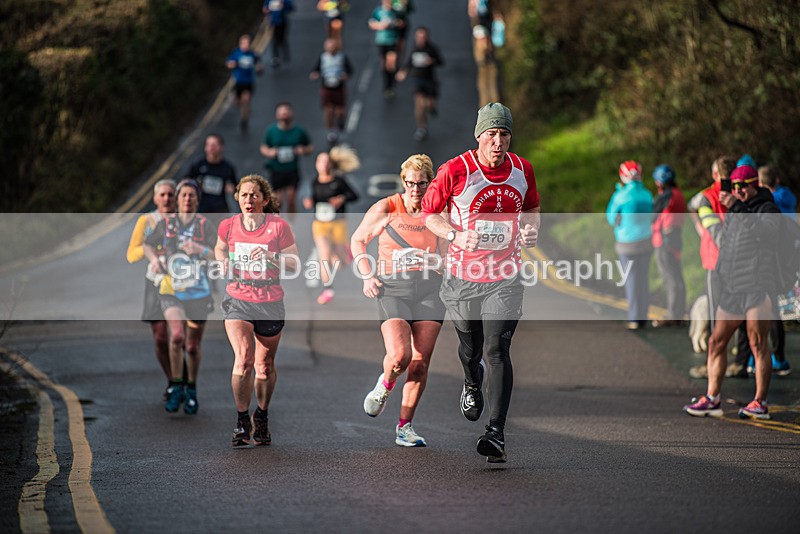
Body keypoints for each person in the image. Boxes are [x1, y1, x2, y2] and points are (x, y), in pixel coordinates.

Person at [422, 103, 541, 463]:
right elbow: (429, 213)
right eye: (491, 134)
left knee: (496, 350)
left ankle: (496, 434)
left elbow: (532, 206)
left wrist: (533, 229)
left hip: (505, 275)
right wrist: (454, 235)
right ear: (479, 136)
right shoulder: (456, 170)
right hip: (462, 277)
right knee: (472, 350)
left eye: (504, 134)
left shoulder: (522, 169)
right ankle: (471, 380)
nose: (498, 141)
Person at [351, 154, 445, 447]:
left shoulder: (438, 213)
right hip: (392, 288)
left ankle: (405, 427)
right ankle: (386, 383)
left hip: (430, 290)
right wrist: (368, 276)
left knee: (420, 363)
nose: (416, 189)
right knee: (401, 356)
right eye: (410, 183)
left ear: (430, 183)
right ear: (403, 182)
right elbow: (358, 240)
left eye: (422, 183)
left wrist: (429, 258)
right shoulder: (388, 206)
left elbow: (447, 258)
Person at [684, 164, 781, 420]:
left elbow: (769, 234)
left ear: (755, 185)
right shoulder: (734, 211)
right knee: (716, 341)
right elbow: (726, 246)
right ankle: (712, 398)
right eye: (734, 187)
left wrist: (736, 208)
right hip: (733, 287)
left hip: (757, 285)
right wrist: (722, 275)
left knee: (758, 343)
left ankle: (760, 401)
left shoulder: (767, 207)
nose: (737, 192)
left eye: (743, 186)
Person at [215, 174, 300, 446]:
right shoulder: (228, 226)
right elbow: (219, 250)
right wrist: (222, 263)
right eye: (243, 195)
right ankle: (241, 421)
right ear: (237, 198)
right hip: (238, 298)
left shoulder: (278, 227)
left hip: (270, 301)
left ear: (264, 199)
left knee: (264, 366)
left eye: (253, 195)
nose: (248, 200)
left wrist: (272, 256)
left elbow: (294, 264)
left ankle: (261, 416)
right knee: (244, 359)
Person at [143, 179, 217, 415]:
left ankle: (192, 389)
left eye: (191, 195)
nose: (187, 199)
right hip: (170, 289)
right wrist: (154, 259)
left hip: (198, 292)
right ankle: (176, 386)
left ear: (197, 199)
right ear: (177, 199)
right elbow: (147, 244)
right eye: (183, 195)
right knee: (176, 337)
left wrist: (200, 250)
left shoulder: (205, 226)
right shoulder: (166, 225)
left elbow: (220, 255)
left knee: (192, 346)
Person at [126, 179, 176, 400]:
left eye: (170, 195)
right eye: (162, 195)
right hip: (154, 281)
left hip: (180, 284)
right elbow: (132, 254)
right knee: (160, 337)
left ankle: (184, 378)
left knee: (179, 336)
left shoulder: (184, 220)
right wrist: (153, 254)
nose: (166, 199)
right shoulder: (146, 221)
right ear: (155, 198)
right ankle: (172, 380)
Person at [686, 156, 735, 378]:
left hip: (716, 261)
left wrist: (700, 229)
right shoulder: (744, 191)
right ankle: (742, 361)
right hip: (742, 262)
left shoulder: (707, 196)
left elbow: (691, 207)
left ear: (715, 174)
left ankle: (713, 368)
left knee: (717, 316)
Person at [302, 151, 359, 304]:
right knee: (324, 255)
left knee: (340, 263)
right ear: (316, 165)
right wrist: (309, 201)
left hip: (338, 223)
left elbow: (354, 195)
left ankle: (345, 253)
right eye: (321, 161)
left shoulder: (339, 181)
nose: (324, 165)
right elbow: (316, 199)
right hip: (320, 224)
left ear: (331, 165)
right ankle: (328, 289)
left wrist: (342, 198)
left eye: (327, 162)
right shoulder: (315, 182)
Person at [606, 161, 654, 330]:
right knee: (643, 279)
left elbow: (611, 218)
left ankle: (634, 318)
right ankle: (643, 317)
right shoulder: (647, 195)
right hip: (647, 242)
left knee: (631, 280)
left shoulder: (620, 196)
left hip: (627, 244)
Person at [259, 102, 314, 214]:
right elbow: (263, 147)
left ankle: (291, 224)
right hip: (276, 170)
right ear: (277, 115)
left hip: (292, 170)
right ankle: (278, 225)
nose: (284, 114)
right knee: (278, 201)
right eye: (281, 112)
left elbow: (310, 147)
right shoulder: (271, 131)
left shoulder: (299, 131)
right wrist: (270, 152)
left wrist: (302, 150)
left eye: (286, 111)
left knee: (291, 199)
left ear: (291, 113)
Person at [650, 164, 687, 326]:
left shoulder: (666, 196)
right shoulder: (678, 194)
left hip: (664, 240)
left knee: (670, 277)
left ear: (659, 182)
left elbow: (651, 215)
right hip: (675, 237)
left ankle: (673, 314)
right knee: (676, 276)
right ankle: (678, 312)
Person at [396, 26, 444, 141]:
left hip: (429, 80)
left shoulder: (431, 49)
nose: (420, 39)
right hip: (417, 80)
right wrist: (402, 72)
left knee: (429, 104)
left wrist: (432, 61)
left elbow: (441, 62)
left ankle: (431, 107)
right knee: (419, 104)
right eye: (418, 37)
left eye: (423, 37)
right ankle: (422, 128)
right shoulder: (414, 49)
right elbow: (408, 63)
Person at [309, 38, 353, 145]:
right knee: (328, 109)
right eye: (328, 47)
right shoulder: (322, 57)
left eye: (333, 47)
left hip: (339, 87)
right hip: (327, 87)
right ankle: (331, 131)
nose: (331, 49)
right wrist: (315, 74)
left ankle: (340, 121)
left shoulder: (342, 57)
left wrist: (345, 76)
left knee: (340, 111)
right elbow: (316, 69)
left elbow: (350, 70)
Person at [186, 133, 238, 216]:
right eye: (208, 145)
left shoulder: (228, 168)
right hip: (200, 209)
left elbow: (237, 189)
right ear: (205, 147)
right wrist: (195, 184)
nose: (211, 148)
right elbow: (185, 183)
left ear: (221, 147)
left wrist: (232, 189)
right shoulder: (197, 165)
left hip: (220, 210)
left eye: (214, 145)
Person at [225, 34, 263, 131]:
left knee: (246, 101)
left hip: (249, 82)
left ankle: (244, 120)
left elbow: (259, 66)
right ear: (240, 44)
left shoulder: (253, 54)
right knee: (238, 102)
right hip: (238, 82)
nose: (246, 45)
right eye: (244, 43)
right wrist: (233, 64)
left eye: (248, 43)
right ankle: (243, 108)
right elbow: (229, 63)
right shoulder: (236, 53)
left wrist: (259, 68)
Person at [368, 0, 404, 100]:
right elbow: (371, 23)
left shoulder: (395, 11)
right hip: (381, 40)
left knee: (391, 63)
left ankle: (392, 83)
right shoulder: (378, 11)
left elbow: (402, 23)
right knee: (384, 64)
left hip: (392, 40)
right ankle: (387, 85)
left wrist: (395, 23)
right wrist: (381, 26)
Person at [471, 25, 499, 106]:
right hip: (484, 68)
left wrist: (483, 47)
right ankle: (485, 108)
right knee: (482, 87)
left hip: (489, 68)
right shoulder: (482, 44)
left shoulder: (488, 44)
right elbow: (479, 59)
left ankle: (493, 109)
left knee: (491, 88)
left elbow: (482, 58)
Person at [262, 0, 294, 68]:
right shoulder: (269, 1)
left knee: (281, 38)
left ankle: (285, 53)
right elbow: (265, 9)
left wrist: (283, 5)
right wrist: (266, 10)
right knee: (274, 40)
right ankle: (275, 57)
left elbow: (291, 8)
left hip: (282, 22)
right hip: (273, 23)